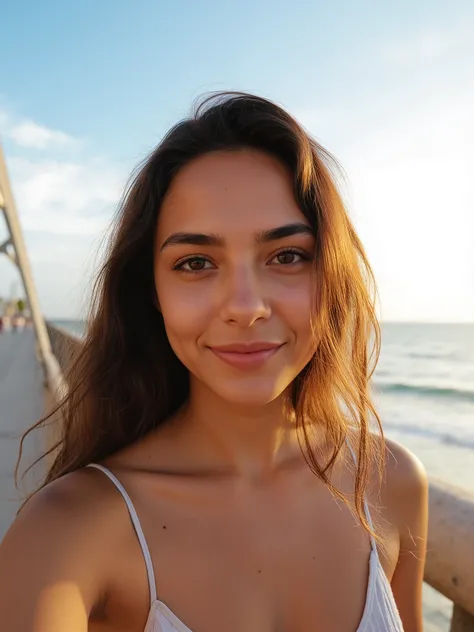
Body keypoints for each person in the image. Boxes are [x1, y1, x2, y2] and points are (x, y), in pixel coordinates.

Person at [0, 92, 428, 632]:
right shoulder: (68, 533)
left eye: (288, 256)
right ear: (150, 290)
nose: (246, 306)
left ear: (331, 275)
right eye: (196, 262)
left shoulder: (390, 483)